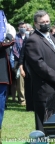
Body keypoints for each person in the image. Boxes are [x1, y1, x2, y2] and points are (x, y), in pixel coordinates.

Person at [25, 10, 55, 133]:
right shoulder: (33, 40)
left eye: (48, 21)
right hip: (44, 89)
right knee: (44, 125)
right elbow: (39, 64)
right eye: (42, 22)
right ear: (35, 24)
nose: (46, 24)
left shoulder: (52, 38)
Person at [0, 10, 15, 140]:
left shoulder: (2, 15)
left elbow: (7, 39)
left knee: (0, 104)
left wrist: (8, 37)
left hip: (1, 71)